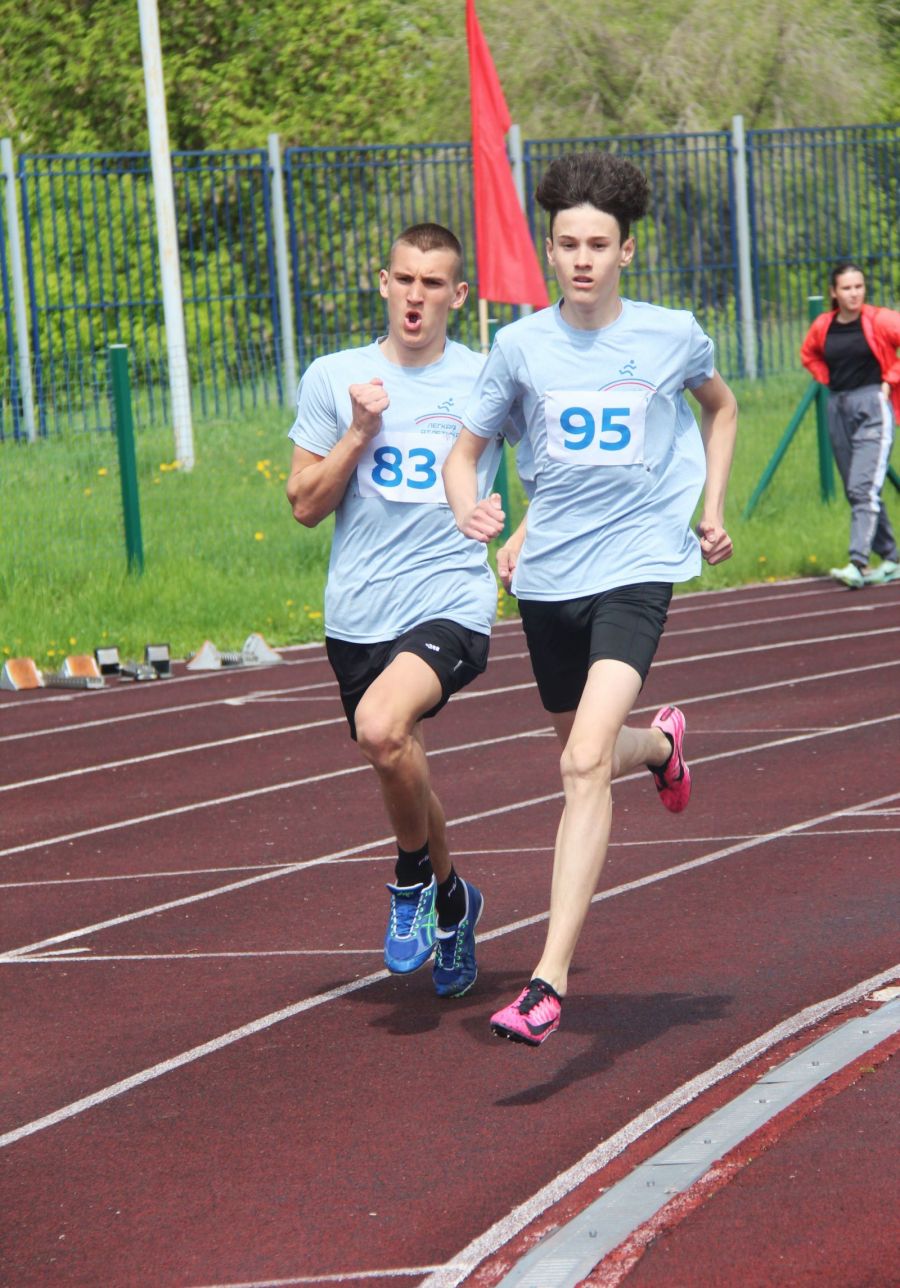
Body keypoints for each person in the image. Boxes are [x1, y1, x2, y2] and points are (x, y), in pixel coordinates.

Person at [443, 151, 738, 1046]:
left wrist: (711, 507)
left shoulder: (671, 334)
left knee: (577, 768)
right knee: (587, 750)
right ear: (550, 248)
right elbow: (468, 451)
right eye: (566, 243)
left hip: (641, 563)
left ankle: (546, 980)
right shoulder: (520, 346)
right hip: (549, 579)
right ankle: (660, 748)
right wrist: (476, 508)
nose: (580, 258)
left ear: (627, 251)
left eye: (597, 244)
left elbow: (720, 410)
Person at [286, 222, 505, 999]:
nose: (417, 296)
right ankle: (454, 898)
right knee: (397, 760)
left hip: (450, 597)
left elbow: (549, 470)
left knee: (383, 728)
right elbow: (305, 506)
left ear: (457, 295)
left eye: (433, 283)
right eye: (405, 280)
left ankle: (412, 878)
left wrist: (520, 537)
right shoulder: (335, 376)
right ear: (385, 283)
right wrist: (357, 433)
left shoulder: (486, 379)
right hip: (358, 613)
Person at [800, 261, 900, 588]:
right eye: (846, 288)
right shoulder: (824, 325)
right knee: (856, 488)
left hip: (873, 406)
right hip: (838, 406)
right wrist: (827, 380)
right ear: (834, 292)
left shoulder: (879, 319)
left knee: (862, 487)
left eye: (858, 286)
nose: (854, 293)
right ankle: (892, 557)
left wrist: (890, 379)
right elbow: (809, 354)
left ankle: (858, 562)